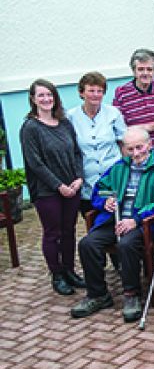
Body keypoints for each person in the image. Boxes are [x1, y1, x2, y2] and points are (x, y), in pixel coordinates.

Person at [70, 127, 154, 321]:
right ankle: (98, 295)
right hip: (114, 221)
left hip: (145, 225)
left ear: (149, 145)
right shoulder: (118, 167)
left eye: (140, 147)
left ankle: (131, 295)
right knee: (87, 244)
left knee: (127, 244)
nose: (135, 153)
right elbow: (98, 190)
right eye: (130, 149)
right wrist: (104, 202)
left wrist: (137, 219)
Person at [20, 79, 85, 295]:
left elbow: (76, 152)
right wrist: (59, 186)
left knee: (69, 231)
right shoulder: (30, 128)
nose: (46, 99)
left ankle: (69, 270)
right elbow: (35, 163)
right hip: (48, 191)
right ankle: (57, 275)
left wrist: (78, 177)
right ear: (33, 99)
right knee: (52, 233)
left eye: (50, 95)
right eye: (41, 95)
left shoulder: (64, 123)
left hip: (72, 187)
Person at [67, 72, 127, 215]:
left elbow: (124, 143)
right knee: (93, 223)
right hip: (87, 181)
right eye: (91, 90)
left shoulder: (113, 113)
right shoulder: (70, 116)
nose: (96, 94)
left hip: (113, 176)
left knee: (117, 219)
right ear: (81, 93)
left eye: (99, 91)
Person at [113, 48, 154, 162]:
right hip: (139, 159)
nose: (145, 73)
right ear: (134, 71)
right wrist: (151, 127)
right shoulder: (121, 93)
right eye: (141, 69)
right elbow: (119, 129)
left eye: (149, 69)